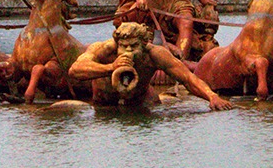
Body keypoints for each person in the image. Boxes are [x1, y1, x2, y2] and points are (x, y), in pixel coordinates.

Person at [68, 22, 232, 110]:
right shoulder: (104, 49)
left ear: (144, 43)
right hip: (105, 100)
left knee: (152, 104)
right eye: (124, 46)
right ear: (117, 43)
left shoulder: (154, 54)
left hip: (139, 99)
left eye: (133, 46)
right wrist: (111, 67)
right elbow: (75, 69)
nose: (129, 50)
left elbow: (188, 78)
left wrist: (212, 97)